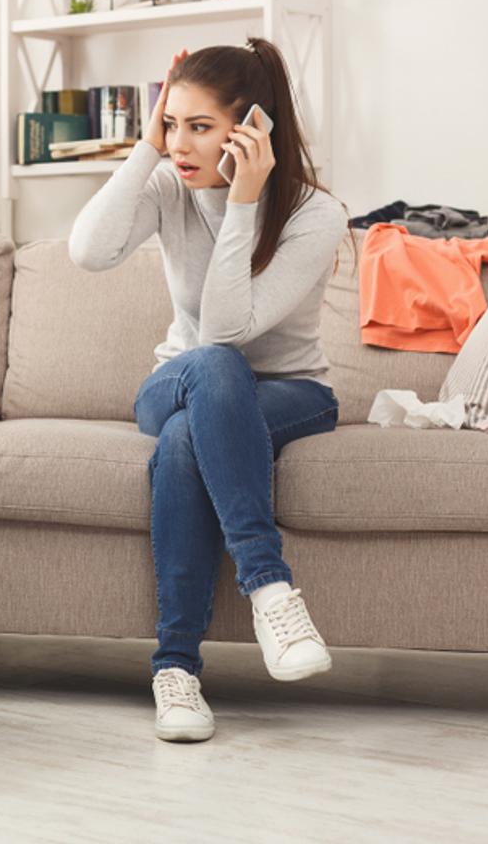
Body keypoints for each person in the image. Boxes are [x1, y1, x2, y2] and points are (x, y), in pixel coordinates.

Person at [67, 37, 351, 743]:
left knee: (191, 435)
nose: (180, 144)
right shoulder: (169, 183)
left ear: (252, 129)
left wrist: (246, 201)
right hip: (179, 378)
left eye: (199, 127)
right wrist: (143, 147)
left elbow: (230, 324)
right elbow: (88, 251)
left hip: (290, 392)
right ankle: (271, 591)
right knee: (212, 372)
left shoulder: (317, 215)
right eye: (172, 123)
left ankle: (176, 672)